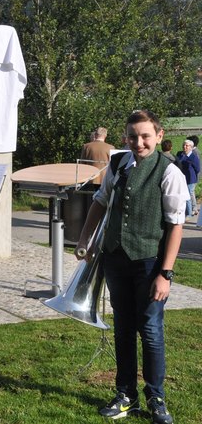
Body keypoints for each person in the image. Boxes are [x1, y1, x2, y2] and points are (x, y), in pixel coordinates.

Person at [75, 110, 188, 424]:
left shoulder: (169, 172)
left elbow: (176, 225)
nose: (139, 142)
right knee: (123, 329)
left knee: (150, 330)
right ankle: (126, 395)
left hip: (150, 262)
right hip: (115, 258)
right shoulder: (117, 163)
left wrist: (165, 274)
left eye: (145, 136)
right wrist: (85, 238)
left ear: (159, 136)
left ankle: (157, 400)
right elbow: (100, 200)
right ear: (125, 137)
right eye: (133, 136)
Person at [175, 139, 200, 217]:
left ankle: (188, 214)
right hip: (181, 179)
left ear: (191, 147)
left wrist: (193, 175)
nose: (184, 146)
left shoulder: (193, 157)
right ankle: (185, 212)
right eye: (184, 145)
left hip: (190, 179)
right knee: (182, 196)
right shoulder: (180, 154)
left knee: (188, 196)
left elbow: (198, 169)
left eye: (186, 145)